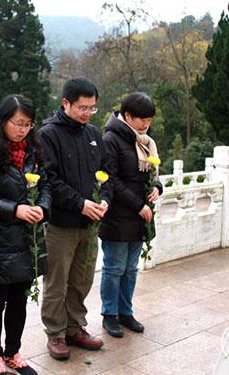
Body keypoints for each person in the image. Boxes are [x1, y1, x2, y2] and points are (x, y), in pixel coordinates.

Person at [0, 94, 51, 375]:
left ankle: (13, 351)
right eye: (18, 123)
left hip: (26, 239)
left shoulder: (34, 151)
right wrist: (15, 209)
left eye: (28, 124)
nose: (23, 129)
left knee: (19, 300)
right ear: (3, 120)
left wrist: (42, 208)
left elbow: (46, 184)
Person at [38, 77, 112, 360]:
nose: (88, 113)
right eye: (83, 108)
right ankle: (55, 333)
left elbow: (107, 172)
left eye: (92, 108)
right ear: (66, 103)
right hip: (61, 223)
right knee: (57, 282)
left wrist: (104, 200)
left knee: (82, 279)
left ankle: (74, 327)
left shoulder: (93, 133)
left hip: (90, 223)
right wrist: (80, 204)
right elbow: (49, 179)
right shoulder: (48, 134)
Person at [99, 92, 163, 338]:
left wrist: (157, 188)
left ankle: (126, 312)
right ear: (127, 116)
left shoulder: (145, 141)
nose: (146, 124)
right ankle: (109, 314)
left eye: (149, 120)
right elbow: (111, 180)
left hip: (140, 217)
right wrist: (138, 205)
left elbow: (153, 174)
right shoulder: (111, 139)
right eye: (142, 119)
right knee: (114, 267)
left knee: (131, 268)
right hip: (117, 215)